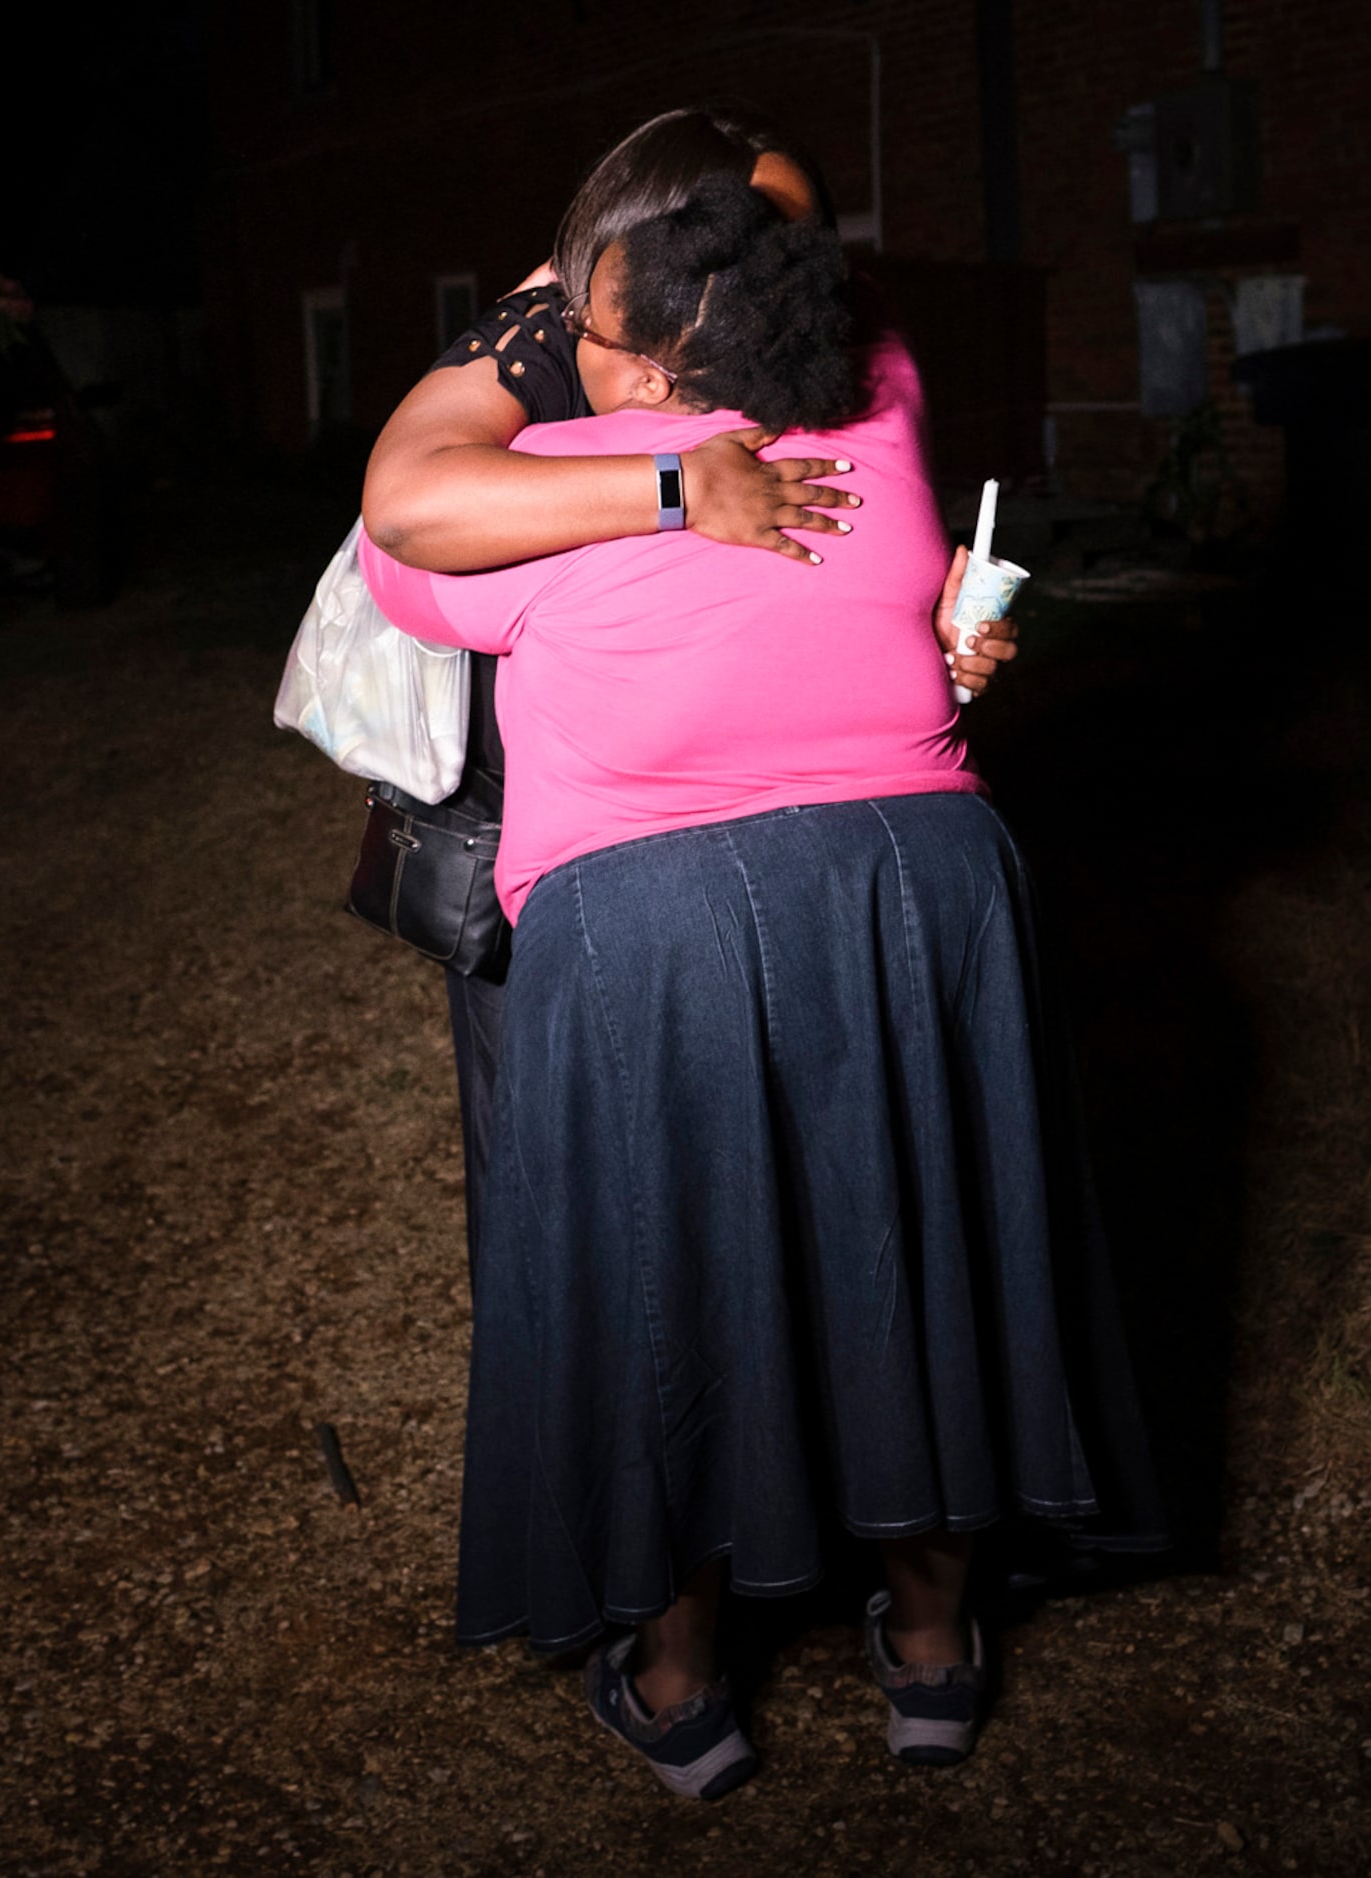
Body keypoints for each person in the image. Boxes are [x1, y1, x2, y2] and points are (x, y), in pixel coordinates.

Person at [359, 173, 1161, 1798]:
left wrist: (526, 322)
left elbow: (398, 524)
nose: (556, 351)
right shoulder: (879, 421)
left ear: (646, 369)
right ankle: (931, 1650)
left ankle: (677, 1681)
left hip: (658, 924)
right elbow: (828, 299)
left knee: (667, 1286)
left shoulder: (558, 477)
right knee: (911, 1251)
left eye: (578, 330)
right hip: (910, 896)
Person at [357, 107, 1020, 1368]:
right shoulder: (556, 328)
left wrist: (922, 608)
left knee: (821, 1185)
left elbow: (876, 516)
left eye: (798, 236)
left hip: (771, 814)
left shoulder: (825, 338)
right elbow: (406, 509)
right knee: (606, 1215)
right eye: (738, 225)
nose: (767, 260)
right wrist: (672, 493)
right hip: (563, 811)